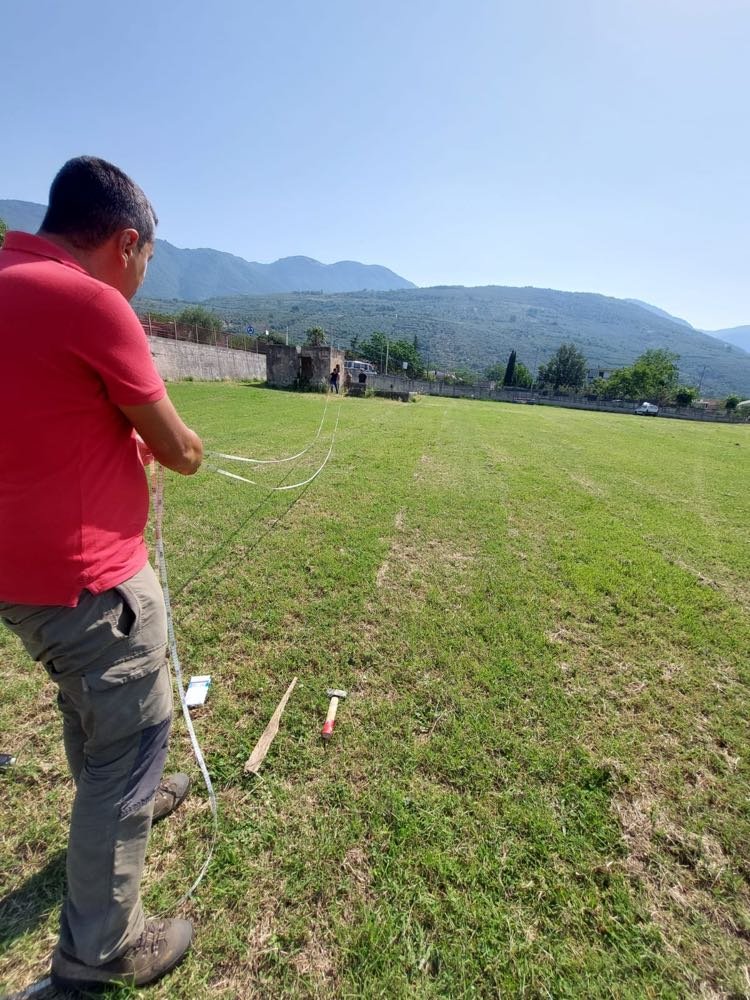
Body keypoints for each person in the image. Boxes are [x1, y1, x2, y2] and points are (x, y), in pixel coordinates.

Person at [0, 157, 203, 990]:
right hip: (94, 580)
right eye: (147, 261)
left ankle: (133, 797)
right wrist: (170, 450)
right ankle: (100, 953)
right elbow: (181, 450)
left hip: (23, 584)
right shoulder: (92, 304)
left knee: (88, 707)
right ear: (126, 242)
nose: (141, 280)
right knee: (131, 735)